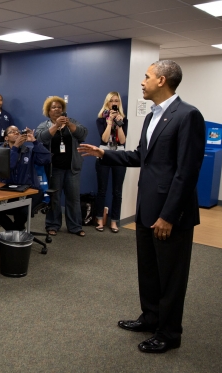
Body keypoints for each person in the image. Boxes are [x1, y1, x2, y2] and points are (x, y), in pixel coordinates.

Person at [78, 60, 206, 354]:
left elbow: (186, 172)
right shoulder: (152, 117)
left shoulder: (187, 116)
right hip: (148, 208)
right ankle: (150, 318)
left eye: (146, 77)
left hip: (170, 215)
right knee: (148, 270)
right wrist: (104, 152)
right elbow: (141, 156)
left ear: (162, 80)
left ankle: (170, 333)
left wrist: (168, 216)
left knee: (171, 277)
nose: (142, 82)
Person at [35, 96, 88, 237]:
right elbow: (40, 138)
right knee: (55, 198)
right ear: (48, 110)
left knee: (73, 198)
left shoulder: (73, 122)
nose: (57, 109)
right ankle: (53, 225)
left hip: (72, 168)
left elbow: (83, 134)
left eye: (59, 107)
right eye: (53, 107)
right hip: (54, 169)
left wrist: (69, 125)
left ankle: (75, 226)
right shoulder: (45, 125)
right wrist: (56, 126)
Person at [0, 126, 50, 231]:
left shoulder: (29, 150)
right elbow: (9, 167)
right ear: (6, 138)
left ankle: (14, 232)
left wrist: (35, 142)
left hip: (31, 190)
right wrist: (15, 148)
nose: (16, 133)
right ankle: (14, 231)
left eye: (18, 132)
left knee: (22, 210)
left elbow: (45, 160)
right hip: (9, 190)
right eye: (12, 132)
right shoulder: (1, 153)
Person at [94, 92, 128, 233]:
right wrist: (109, 123)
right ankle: (99, 219)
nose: (115, 103)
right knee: (102, 190)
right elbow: (104, 139)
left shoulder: (124, 120)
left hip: (119, 155)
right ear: (107, 103)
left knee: (117, 192)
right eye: (112, 101)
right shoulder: (100, 120)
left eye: (117, 101)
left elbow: (123, 141)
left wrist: (119, 125)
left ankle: (114, 221)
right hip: (104, 154)